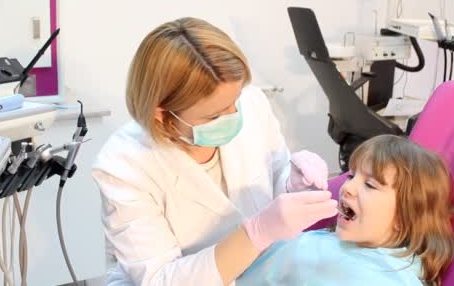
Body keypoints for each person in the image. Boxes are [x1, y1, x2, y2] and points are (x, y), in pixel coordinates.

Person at [92, 17, 338, 286]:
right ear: (162, 115)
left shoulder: (251, 103)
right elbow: (160, 279)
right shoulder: (123, 165)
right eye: (215, 115)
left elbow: (275, 172)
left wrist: (292, 182)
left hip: (260, 273)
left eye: (234, 101)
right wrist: (255, 233)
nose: (234, 116)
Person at [238, 134, 454, 286]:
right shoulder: (335, 240)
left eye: (370, 185)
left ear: (404, 216)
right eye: (352, 176)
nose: (347, 187)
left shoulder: (382, 278)